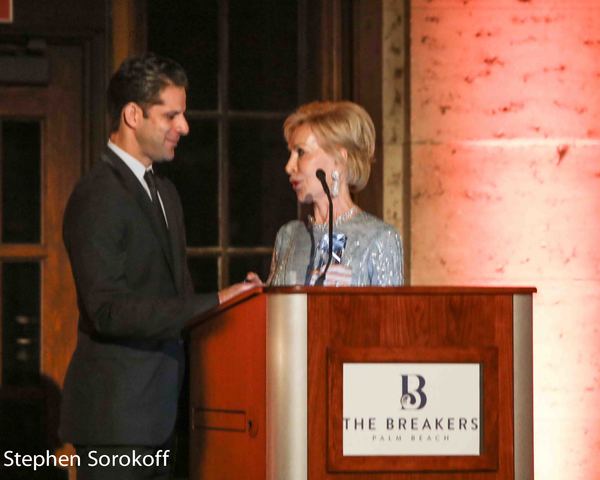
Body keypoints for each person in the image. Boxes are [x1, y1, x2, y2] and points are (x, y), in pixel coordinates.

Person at [59, 53, 258, 479]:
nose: (184, 127)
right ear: (133, 114)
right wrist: (215, 300)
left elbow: (175, 298)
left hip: (163, 415)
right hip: (116, 422)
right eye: (172, 115)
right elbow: (108, 310)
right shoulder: (97, 195)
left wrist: (241, 305)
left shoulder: (164, 192)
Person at [267, 101, 403, 287]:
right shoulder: (288, 235)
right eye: (291, 154)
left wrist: (355, 294)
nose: (289, 166)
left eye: (301, 152)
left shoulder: (380, 238)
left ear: (339, 159)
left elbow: (391, 314)